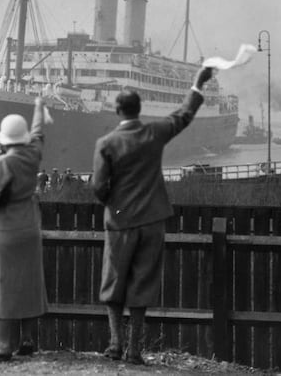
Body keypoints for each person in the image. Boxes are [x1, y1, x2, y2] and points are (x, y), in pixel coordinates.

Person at [90, 66, 215, 365]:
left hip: (121, 220)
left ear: (117, 109)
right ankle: (135, 350)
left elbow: (98, 187)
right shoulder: (154, 132)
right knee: (142, 284)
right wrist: (197, 84)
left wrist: (116, 206)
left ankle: (115, 344)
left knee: (114, 281)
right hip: (153, 218)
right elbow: (184, 114)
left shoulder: (105, 144)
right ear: (139, 109)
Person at [0, 97, 49, 362]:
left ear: (3, 140)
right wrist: (38, 106)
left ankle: (3, 344)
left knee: (4, 284)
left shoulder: (2, 163)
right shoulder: (33, 153)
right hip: (30, 225)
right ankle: (28, 339)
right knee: (29, 281)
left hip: (5, 229)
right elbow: (39, 131)